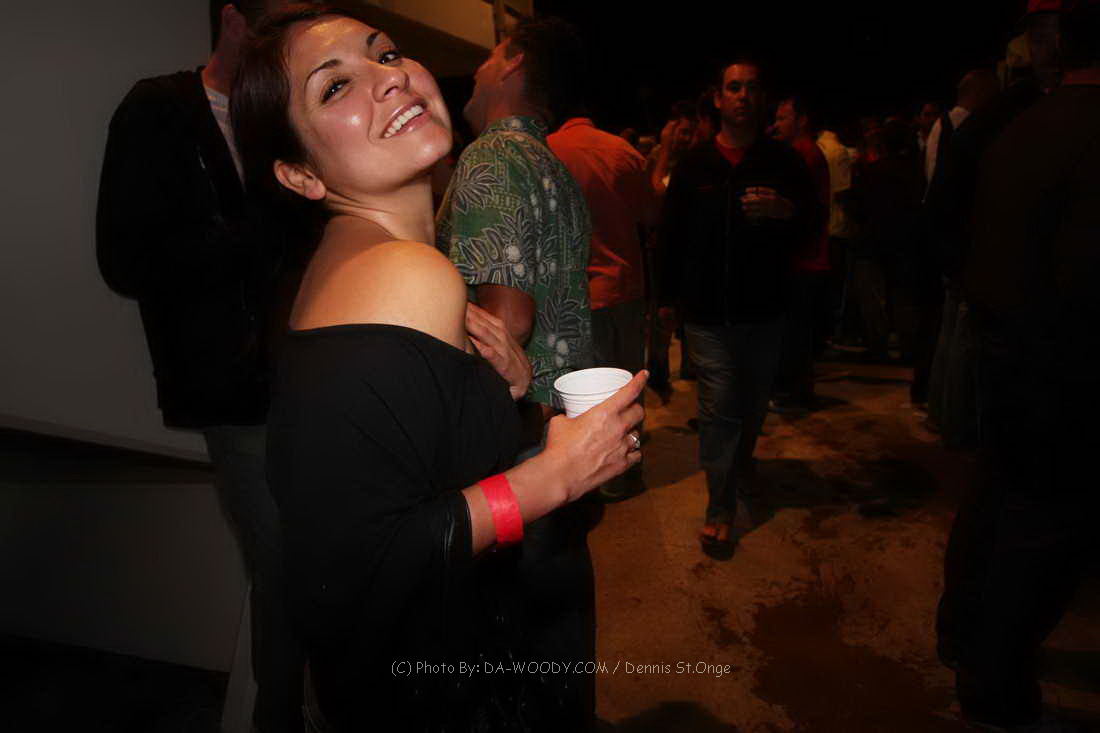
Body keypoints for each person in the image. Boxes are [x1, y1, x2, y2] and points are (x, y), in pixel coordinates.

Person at [232, 6, 646, 730]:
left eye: (386, 53)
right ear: (299, 173)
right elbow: (354, 569)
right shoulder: (409, 273)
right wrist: (553, 476)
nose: (388, 79)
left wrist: (500, 385)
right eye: (335, 86)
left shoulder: (350, 263)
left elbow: (396, 461)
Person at [95, 2, 303, 730]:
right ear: (234, 19)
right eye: (279, 23)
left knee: (318, 560)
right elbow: (124, 259)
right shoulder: (160, 109)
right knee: (284, 569)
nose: (289, 41)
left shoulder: (277, 117)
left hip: (306, 375)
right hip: (231, 386)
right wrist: (250, 239)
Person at [435, 15, 602, 727]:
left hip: (515, 443)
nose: (475, 70)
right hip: (562, 437)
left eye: (490, 54)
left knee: (509, 651)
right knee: (558, 626)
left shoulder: (490, 160)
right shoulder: (551, 167)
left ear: (512, 64)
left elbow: (506, 321)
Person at [937, 3, 1100, 730]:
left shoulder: (1015, 123)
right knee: (1043, 526)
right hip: (1064, 361)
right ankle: (995, 679)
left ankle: (960, 634)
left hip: (1008, 343)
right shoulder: (1077, 128)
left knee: (996, 496)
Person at [657, 60, 813, 560]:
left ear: (762, 99)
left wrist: (787, 212)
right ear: (719, 99)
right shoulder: (695, 165)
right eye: (734, 87)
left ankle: (742, 466)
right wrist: (665, 299)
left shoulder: (783, 162)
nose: (743, 95)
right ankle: (720, 507)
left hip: (766, 310)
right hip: (707, 316)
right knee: (719, 409)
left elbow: (812, 228)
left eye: (752, 88)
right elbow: (671, 236)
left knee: (753, 405)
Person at [548, 113, 654, 502]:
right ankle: (626, 472)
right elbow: (650, 216)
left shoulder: (548, 150)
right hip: (624, 288)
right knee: (629, 388)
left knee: (585, 396)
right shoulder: (622, 151)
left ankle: (593, 477)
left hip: (575, 294)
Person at [770, 96, 831, 412]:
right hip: (805, 257)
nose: (776, 125)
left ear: (802, 120)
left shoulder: (804, 154)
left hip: (804, 259)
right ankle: (794, 390)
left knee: (795, 331)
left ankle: (793, 393)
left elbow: (804, 210)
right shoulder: (804, 153)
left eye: (783, 118)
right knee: (797, 330)